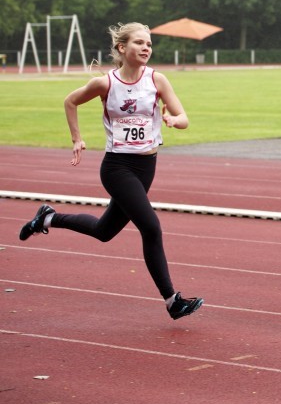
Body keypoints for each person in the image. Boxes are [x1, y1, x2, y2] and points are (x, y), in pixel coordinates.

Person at [18, 22, 204, 321]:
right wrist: (77, 138)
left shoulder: (157, 79)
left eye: (149, 44)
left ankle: (48, 217)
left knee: (104, 232)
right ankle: (172, 301)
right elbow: (70, 101)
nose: (146, 48)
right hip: (117, 167)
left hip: (146, 166)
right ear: (122, 47)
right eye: (139, 43)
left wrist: (173, 121)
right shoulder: (105, 84)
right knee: (151, 227)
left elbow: (183, 117)